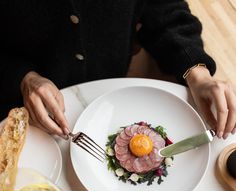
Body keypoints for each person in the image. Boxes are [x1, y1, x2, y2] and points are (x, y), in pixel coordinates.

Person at [0, 0, 235, 140]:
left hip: (111, 97)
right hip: (21, 110)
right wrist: (23, 78)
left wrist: (197, 73)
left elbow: (163, 8)